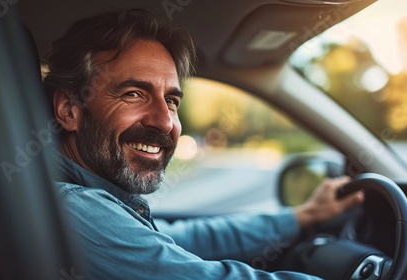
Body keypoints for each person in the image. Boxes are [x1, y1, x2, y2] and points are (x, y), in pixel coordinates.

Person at [43, 8, 364, 280]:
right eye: (134, 94)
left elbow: (185, 238)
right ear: (69, 110)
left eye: (171, 101)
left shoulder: (85, 199)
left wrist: (302, 216)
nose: (165, 122)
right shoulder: (73, 208)